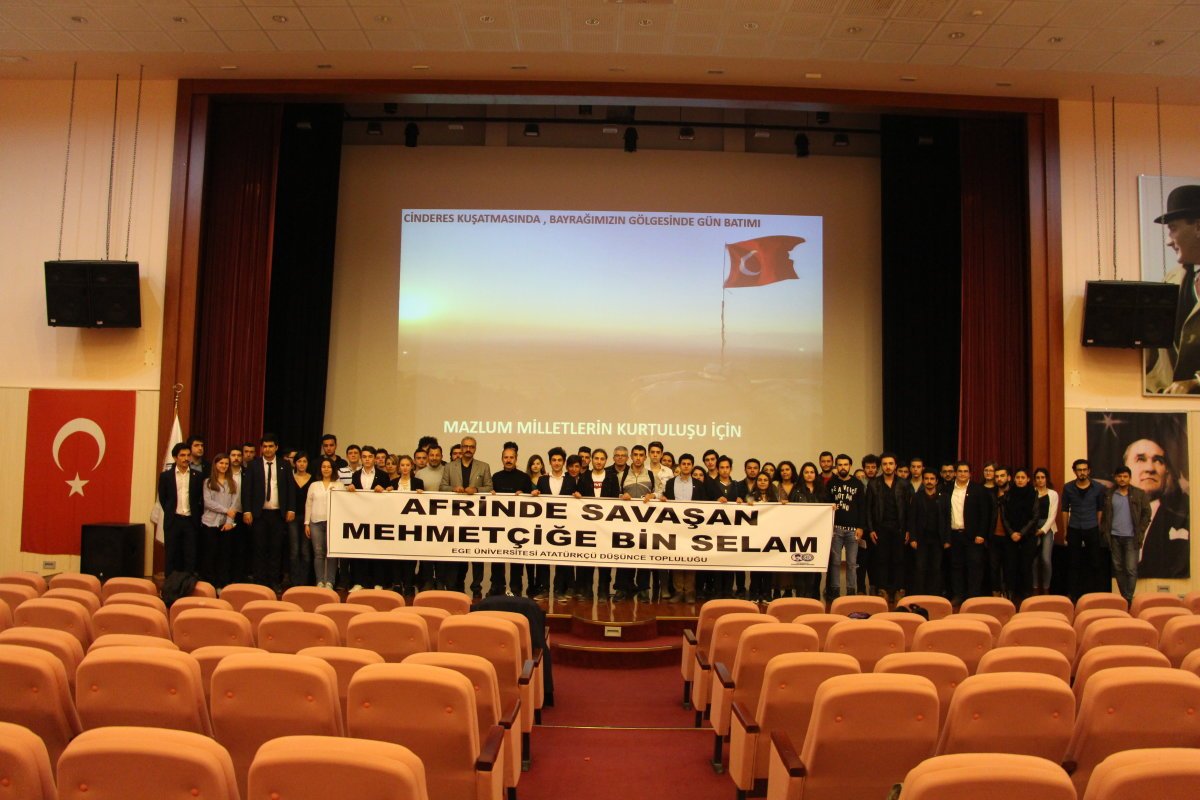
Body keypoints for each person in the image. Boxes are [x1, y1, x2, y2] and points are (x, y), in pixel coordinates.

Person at [1146, 184, 1200, 394]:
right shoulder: (1171, 279)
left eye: (1173, 228)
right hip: (1168, 403)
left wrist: (1195, 382)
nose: (1169, 241)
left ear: (1198, 227)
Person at [1124, 436, 1190, 579]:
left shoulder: (1186, 524)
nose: (1150, 468)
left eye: (1158, 461)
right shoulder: (1103, 520)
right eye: (1140, 459)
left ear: (1166, 473)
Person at [241, 433, 295, 592]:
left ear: (276, 447)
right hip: (259, 514)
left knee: (276, 548)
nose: (268, 449)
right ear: (261, 448)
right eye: (265, 446)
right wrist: (247, 510)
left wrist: (291, 508)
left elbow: (290, 488)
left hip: (278, 514)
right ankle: (259, 581)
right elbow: (246, 489)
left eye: (271, 446)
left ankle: (274, 581)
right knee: (259, 548)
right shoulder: (254, 465)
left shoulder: (284, 465)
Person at [440, 436, 493, 594]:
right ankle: (455, 586)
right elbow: (442, 487)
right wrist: (453, 489)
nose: (468, 449)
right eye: (465, 446)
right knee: (456, 553)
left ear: (475, 449)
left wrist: (476, 490)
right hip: (455, 517)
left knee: (477, 555)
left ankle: (476, 588)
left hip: (477, 518)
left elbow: (489, 487)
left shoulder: (483, 466)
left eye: (471, 447)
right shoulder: (450, 466)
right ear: (461, 448)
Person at [573, 447, 620, 601]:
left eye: (602, 459)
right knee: (588, 559)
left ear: (606, 461)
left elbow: (615, 500)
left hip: (606, 526)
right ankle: (587, 590)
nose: (599, 462)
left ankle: (603, 591)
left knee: (605, 560)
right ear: (592, 460)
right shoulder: (584, 477)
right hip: (588, 526)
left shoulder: (612, 477)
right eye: (596, 458)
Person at [1102, 465, 1151, 605]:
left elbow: (1147, 513)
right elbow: (1104, 515)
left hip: (1132, 537)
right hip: (1114, 536)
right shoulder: (1109, 494)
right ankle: (1125, 598)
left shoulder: (1139, 494)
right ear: (1115, 478)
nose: (1122, 479)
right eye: (1119, 476)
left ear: (1130, 478)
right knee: (1118, 568)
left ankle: (1128, 598)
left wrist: (1141, 530)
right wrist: (1105, 531)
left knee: (1131, 569)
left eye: (1125, 476)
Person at [866, 452, 910, 604]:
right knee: (881, 560)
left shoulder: (904, 484)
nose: (888, 466)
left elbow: (909, 509)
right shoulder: (873, 484)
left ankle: (898, 590)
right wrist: (871, 529)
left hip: (899, 528)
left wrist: (908, 529)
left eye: (891, 463)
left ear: (895, 465)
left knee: (899, 559)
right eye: (885, 464)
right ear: (881, 466)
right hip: (880, 528)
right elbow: (868, 509)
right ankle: (883, 589)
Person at [945, 461, 991, 604]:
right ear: (955, 473)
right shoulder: (947, 489)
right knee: (956, 566)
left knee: (974, 566)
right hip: (954, 534)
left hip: (973, 536)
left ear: (970, 473)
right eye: (960, 471)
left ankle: (973, 597)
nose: (962, 474)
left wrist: (981, 534)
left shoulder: (979, 490)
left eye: (965, 471)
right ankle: (958, 595)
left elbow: (985, 514)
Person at [491, 442, 533, 596]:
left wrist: (525, 496)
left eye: (511, 457)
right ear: (502, 459)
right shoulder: (495, 477)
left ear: (516, 459)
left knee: (516, 556)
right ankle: (497, 585)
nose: (508, 460)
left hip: (518, 524)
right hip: (499, 524)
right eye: (506, 457)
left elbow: (532, 501)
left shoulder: (524, 478)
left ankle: (516, 586)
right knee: (497, 555)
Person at [1062, 458, 1106, 600]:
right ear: (1075, 471)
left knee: (1095, 562)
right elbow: (1065, 510)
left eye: (1084, 470)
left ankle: (1096, 595)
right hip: (1074, 527)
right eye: (1079, 470)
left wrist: (1098, 527)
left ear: (1089, 471)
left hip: (1091, 527)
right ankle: (1073, 595)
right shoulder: (1068, 487)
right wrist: (1065, 530)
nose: (1082, 472)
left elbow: (1100, 509)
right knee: (1073, 563)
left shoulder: (1098, 487)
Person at [347, 444, 388, 591]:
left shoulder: (383, 475)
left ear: (375, 459)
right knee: (360, 550)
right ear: (361, 458)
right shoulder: (355, 475)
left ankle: (378, 582)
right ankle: (359, 582)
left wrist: (384, 490)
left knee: (378, 550)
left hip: (378, 518)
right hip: (360, 518)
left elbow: (390, 497)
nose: (367, 459)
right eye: (364, 456)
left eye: (370, 456)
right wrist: (350, 489)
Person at [662, 453, 701, 603]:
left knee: (691, 559)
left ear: (692, 466)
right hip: (675, 526)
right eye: (683, 464)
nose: (685, 466)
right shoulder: (670, 483)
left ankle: (690, 592)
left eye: (688, 464)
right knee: (677, 559)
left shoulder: (698, 484)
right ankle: (678, 591)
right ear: (679, 465)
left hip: (692, 527)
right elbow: (666, 499)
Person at [826, 454, 865, 601]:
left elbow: (862, 507)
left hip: (853, 530)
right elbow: (826, 503)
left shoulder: (857, 484)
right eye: (840, 464)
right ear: (836, 466)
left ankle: (851, 591)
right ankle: (835, 591)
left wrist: (861, 527)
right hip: (835, 529)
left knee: (851, 563)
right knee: (835, 562)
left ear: (850, 466)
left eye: (845, 464)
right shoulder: (831, 483)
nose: (843, 467)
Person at [160, 442, 203, 575]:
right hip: (173, 521)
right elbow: (163, 499)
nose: (186, 458)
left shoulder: (198, 476)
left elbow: (199, 499)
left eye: (188, 455)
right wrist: (171, 512)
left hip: (191, 521)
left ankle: (188, 583)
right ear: (175, 457)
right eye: (182, 455)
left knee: (190, 555)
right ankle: (170, 584)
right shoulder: (166, 476)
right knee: (171, 555)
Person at [386, 453, 425, 593]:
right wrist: (386, 492)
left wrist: (422, 494)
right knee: (396, 554)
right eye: (402, 465)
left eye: (407, 465)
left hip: (412, 524)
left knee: (410, 555)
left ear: (412, 466)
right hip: (395, 523)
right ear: (399, 467)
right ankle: (397, 583)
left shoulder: (418, 483)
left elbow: (423, 503)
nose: (405, 468)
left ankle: (408, 584)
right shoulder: (392, 483)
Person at [907, 469, 948, 596]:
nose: (929, 481)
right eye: (926, 479)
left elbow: (947, 519)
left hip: (938, 538)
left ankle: (934, 595)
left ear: (936, 481)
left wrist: (947, 539)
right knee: (920, 568)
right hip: (921, 539)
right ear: (923, 481)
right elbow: (912, 519)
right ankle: (920, 595)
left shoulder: (944, 497)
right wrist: (913, 538)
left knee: (936, 568)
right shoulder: (917, 497)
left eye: (932, 479)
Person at [1001, 467, 1037, 605]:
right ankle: (1011, 596)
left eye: (1023, 478)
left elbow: (1035, 516)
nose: (1020, 480)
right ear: (1013, 479)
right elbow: (1004, 517)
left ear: (1028, 479)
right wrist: (1012, 533)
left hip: (1028, 536)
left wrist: (1021, 533)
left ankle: (1027, 597)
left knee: (1026, 566)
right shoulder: (1008, 495)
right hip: (1011, 536)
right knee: (1010, 566)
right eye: (1018, 477)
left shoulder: (1033, 494)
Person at [306, 456, 342, 589]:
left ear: (333, 469)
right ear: (320, 469)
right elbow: (308, 504)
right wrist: (306, 523)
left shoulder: (339, 485)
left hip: (333, 523)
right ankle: (320, 581)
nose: (326, 469)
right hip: (315, 522)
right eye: (323, 467)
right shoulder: (314, 485)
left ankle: (330, 582)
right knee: (318, 553)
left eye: (329, 467)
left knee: (331, 554)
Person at [744, 471, 778, 603]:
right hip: (755, 536)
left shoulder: (774, 497)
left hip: (770, 536)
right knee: (755, 568)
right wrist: (746, 503)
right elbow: (744, 508)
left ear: (769, 482)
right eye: (760, 480)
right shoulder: (750, 496)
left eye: (765, 480)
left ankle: (767, 594)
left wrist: (783, 505)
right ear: (756, 482)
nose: (762, 482)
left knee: (768, 568)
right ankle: (754, 594)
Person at [287, 452, 314, 587]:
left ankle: (304, 582)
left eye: (304, 461)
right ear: (295, 463)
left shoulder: (313, 479)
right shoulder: (289, 477)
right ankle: (294, 582)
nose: (302, 464)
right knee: (294, 550)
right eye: (299, 461)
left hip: (308, 518)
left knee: (305, 550)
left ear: (308, 463)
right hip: (292, 517)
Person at [1031, 467, 1059, 594]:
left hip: (1047, 527)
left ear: (1047, 479)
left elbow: (1053, 515)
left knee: (1046, 559)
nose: (1040, 480)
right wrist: (1033, 529)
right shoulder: (1031, 493)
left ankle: (1046, 588)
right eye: (1037, 478)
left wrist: (1042, 530)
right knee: (1034, 560)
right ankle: (1035, 587)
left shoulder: (1053, 494)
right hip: (1033, 527)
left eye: (1042, 477)